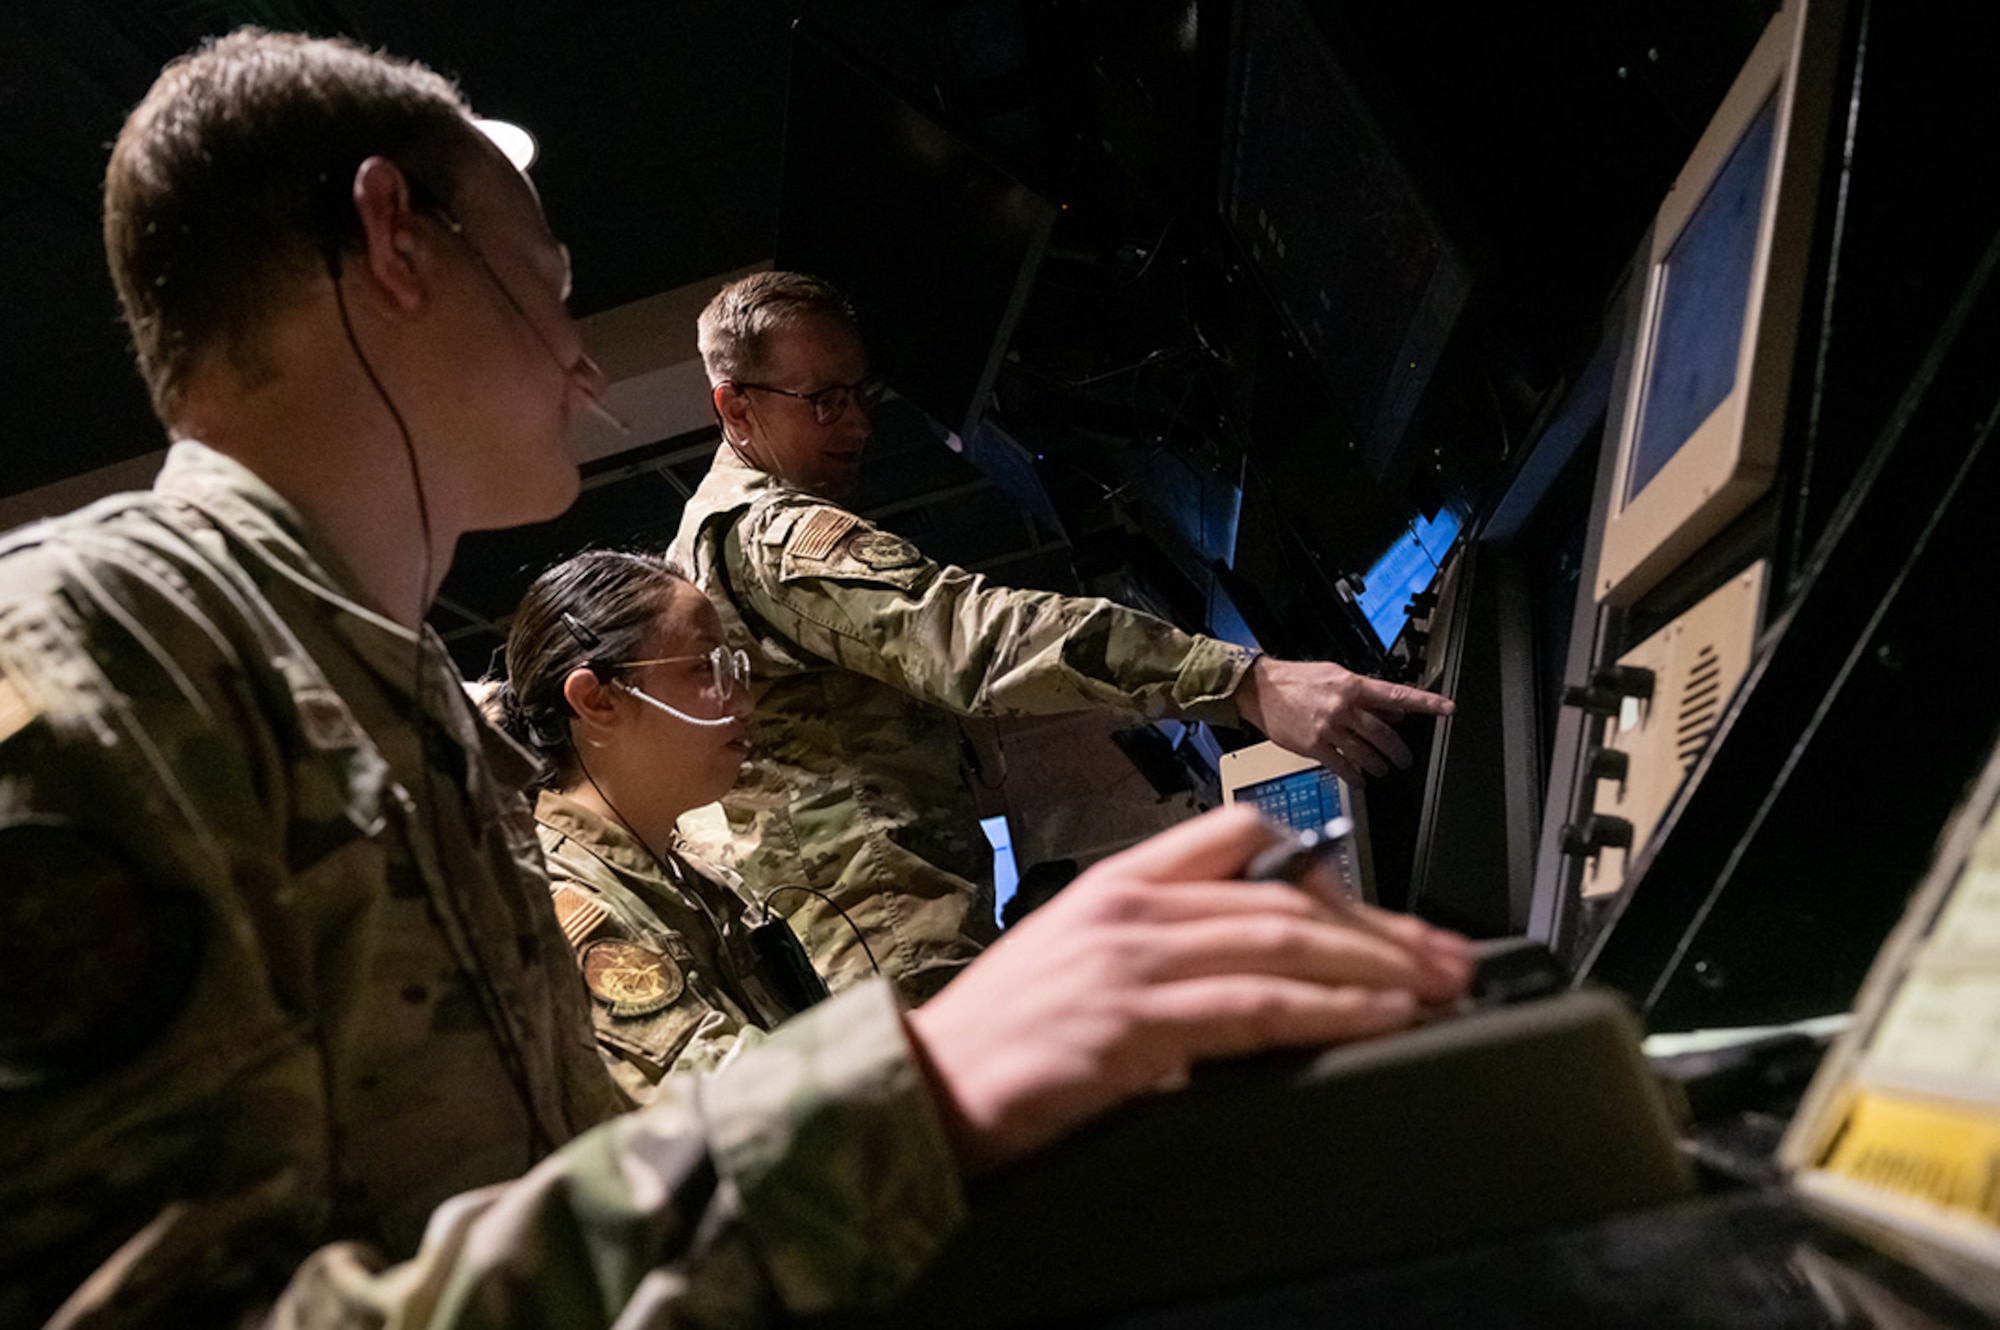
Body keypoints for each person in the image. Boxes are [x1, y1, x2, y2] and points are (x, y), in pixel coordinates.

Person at [0, 27, 1473, 1328]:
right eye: (549, 280)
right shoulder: (92, 663)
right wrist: (906, 1093)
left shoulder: (398, 711)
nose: (580, 358)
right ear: (396, 239)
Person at [672, 271, 1459, 1001]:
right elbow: (972, 638)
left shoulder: (704, 540)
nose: (858, 422)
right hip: (888, 949)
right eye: (822, 401)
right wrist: (1242, 682)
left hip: (854, 945)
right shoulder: (772, 540)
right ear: (735, 406)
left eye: (859, 391)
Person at [493, 547, 808, 1092]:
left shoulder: (702, 883)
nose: (742, 701)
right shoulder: (559, 906)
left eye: (732, 668)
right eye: (704, 668)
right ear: (598, 701)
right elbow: (736, 1104)